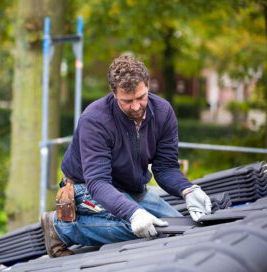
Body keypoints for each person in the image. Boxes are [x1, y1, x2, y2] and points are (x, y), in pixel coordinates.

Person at [41, 54, 212, 258]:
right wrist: (134, 213)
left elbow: (165, 169)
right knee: (151, 232)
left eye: (141, 97)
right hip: (85, 187)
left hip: (133, 189)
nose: (136, 106)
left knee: (180, 228)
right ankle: (61, 228)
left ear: (147, 85)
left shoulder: (163, 112)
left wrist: (188, 190)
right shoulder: (95, 120)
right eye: (127, 101)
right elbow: (97, 182)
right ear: (114, 93)